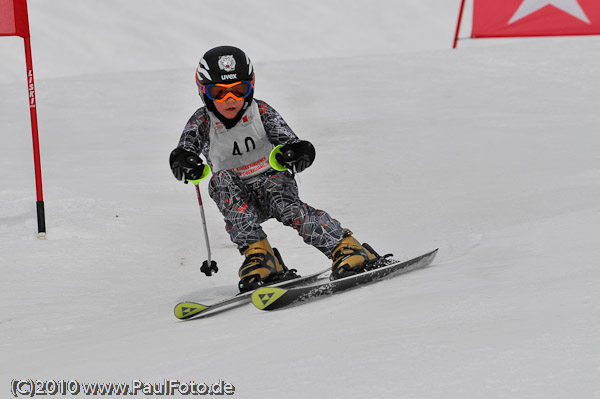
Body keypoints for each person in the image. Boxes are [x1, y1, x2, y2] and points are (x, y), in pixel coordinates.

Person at [169, 45, 377, 292]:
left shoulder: (261, 111)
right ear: (204, 93)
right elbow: (186, 148)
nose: (230, 100)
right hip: (236, 196)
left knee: (291, 209)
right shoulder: (203, 120)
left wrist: (299, 152)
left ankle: (346, 247)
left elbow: (291, 142)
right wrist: (183, 162)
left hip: (272, 182)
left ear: (251, 86)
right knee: (220, 181)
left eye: (239, 90)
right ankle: (261, 256)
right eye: (219, 93)